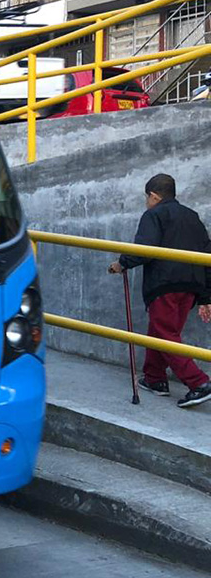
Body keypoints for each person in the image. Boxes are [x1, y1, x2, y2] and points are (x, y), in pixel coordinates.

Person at [109, 173, 211, 408]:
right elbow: (207, 256)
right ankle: (155, 378)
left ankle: (199, 382)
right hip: (191, 286)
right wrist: (206, 296)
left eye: (147, 197)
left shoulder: (154, 215)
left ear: (154, 196)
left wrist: (122, 262)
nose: (147, 202)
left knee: (165, 335)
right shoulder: (193, 217)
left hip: (165, 284)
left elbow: (145, 248)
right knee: (162, 331)